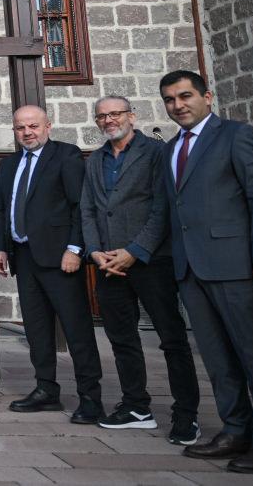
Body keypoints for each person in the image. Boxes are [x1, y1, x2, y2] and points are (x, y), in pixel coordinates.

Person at [159, 70, 253, 473]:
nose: (178, 105)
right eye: (170, 99)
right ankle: (235, 430)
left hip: (236, 267)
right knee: (217, 358)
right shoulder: (171, 149)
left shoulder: (236, 135)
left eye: (185, 96)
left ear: (207, 97)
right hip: (191, 270)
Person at [80, 97, 199, 443]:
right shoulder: (96, 159)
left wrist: (135, 251)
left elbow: (163, 207)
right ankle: (136, 406)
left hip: (150, 262)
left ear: (131, 116)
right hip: (108, 265)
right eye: (101, 116)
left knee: (172, 339)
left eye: (115, 114)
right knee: (122, 339)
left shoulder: (157, 153)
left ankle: (186, 414)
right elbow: (88, 209)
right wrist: (94, 252)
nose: (108, 120)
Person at [0, 106, 104, 426]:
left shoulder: (66, 156)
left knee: (76, 329)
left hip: (60, 258)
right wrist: (1, 247)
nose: (27, 132)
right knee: (37, 329)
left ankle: (90, 398)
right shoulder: (9, 164)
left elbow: (80, 206)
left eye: (33, 126)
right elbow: (3, 209)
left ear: (48, 126)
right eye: (20, 128)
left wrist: (75, 248)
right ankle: (46, 390)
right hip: (24, 257)